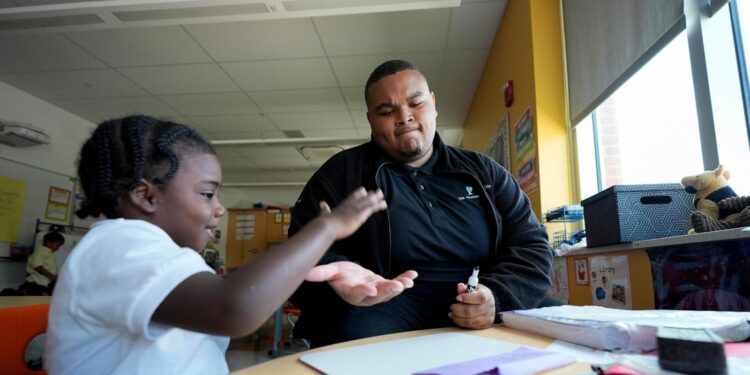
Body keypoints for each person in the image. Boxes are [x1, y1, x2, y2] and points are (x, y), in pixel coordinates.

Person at [46, 115, 390, 374]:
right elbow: (232, 309)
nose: (219, 208)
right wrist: (326, 227)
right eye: (207, 194)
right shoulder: (117, 245)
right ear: (146, 195)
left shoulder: (162, 255)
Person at [289, 60, 553, 347]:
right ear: (370, 119)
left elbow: (532, 245)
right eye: (387, 111)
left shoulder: (484, 172)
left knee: (560, 332)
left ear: (434, 103)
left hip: (482, 302)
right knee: (346, 340)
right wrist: (338, 274)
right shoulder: (340, 175)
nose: (404, 117)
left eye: (415, 103)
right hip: (381, 310)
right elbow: (301, 251)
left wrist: (497, 297)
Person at [19, 231, 65, 295]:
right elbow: (37, 266)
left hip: (44, 283)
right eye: (57, 245)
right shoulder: (40, 252)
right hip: (36, 282)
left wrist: (54, 275)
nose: (58, 248)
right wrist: (51, 275)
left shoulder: (49, 253)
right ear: (48, 243)